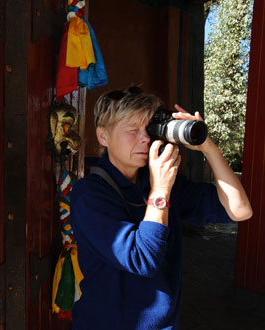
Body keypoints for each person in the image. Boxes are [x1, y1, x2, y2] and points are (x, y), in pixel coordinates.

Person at [70, 87, 253, 330]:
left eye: (148, 130)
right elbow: (143, 260)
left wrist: (208, 147)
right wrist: (160, 191)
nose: (145, 139)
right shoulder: (90, 194)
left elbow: (240, 210)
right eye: (132, 130)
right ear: (103, 136)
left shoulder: (157, 181)